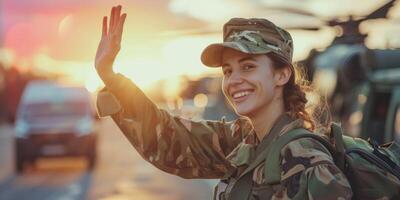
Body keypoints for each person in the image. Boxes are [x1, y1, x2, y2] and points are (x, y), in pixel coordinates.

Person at [95, 5, 353, 200]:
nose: (234, 80)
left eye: (248, 66)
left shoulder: (307, 161)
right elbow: (168, 140)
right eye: (228, 71)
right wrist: (111, 76)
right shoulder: (243, 140)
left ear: (282, 75)